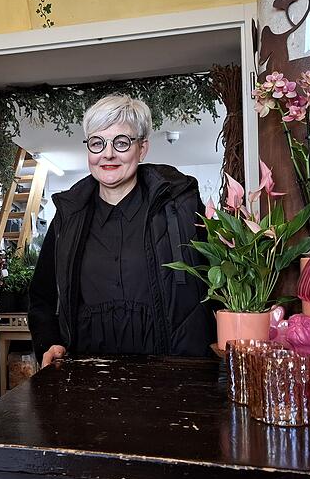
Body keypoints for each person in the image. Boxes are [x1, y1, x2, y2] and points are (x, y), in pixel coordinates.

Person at [28, 94, 215, 367]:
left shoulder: (180, 207)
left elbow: (218, 286)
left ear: (142, 148)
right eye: (97, 143)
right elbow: (42, 297)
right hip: (87, 378)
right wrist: (49, 343)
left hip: (171, 376)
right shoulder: (69, 216)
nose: (108, 154)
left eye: (121, 142)